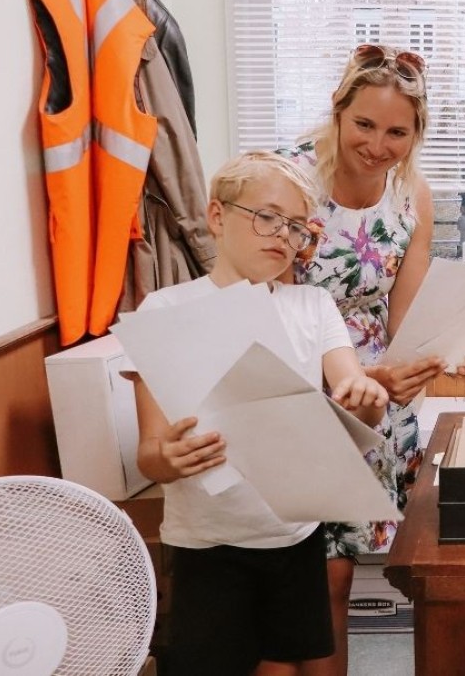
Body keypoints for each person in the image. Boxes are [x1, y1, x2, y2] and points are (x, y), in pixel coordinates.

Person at [278, 43, 465, 675]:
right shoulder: (291, 181)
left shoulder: (412, 198)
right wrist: (353, 373)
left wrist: (455, 363)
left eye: (397, 131)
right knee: (299, 579)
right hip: (298, 383)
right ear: (338, 112)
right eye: (365, 125)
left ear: (416, 133)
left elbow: (406, 323)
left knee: (337, 580)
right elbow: (266, 303)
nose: (378, 144)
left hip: (372, 402)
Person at [130, 151, 390, 675]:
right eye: (267, 217)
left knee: (286, 667)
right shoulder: (165, 312)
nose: (282, 236)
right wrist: (171, 459)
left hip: (293, 536)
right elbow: (150, 453)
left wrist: (368, 398)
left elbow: (351, 387)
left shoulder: (312, 307)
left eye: (296, 227)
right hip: (207, 544)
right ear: (218, 216)